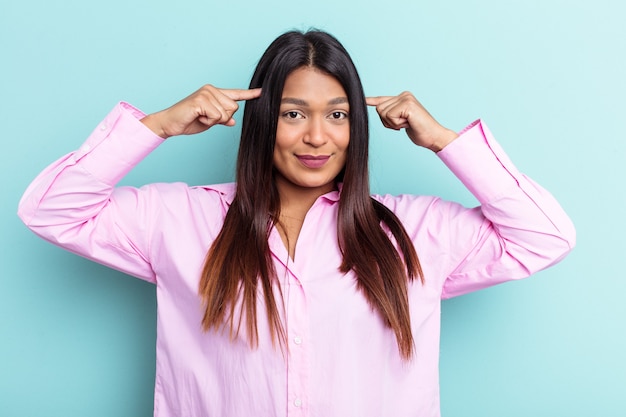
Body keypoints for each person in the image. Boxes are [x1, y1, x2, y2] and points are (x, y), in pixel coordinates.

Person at [17, 29, 575, 416]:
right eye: (292, 114)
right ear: (261, 121)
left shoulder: (417, 232)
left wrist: (443, 141)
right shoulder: (181, 220)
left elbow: (544, 236)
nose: (316, 137)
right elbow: (49, 208)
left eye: (337, 114)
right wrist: (158, 125)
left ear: (356, 125)